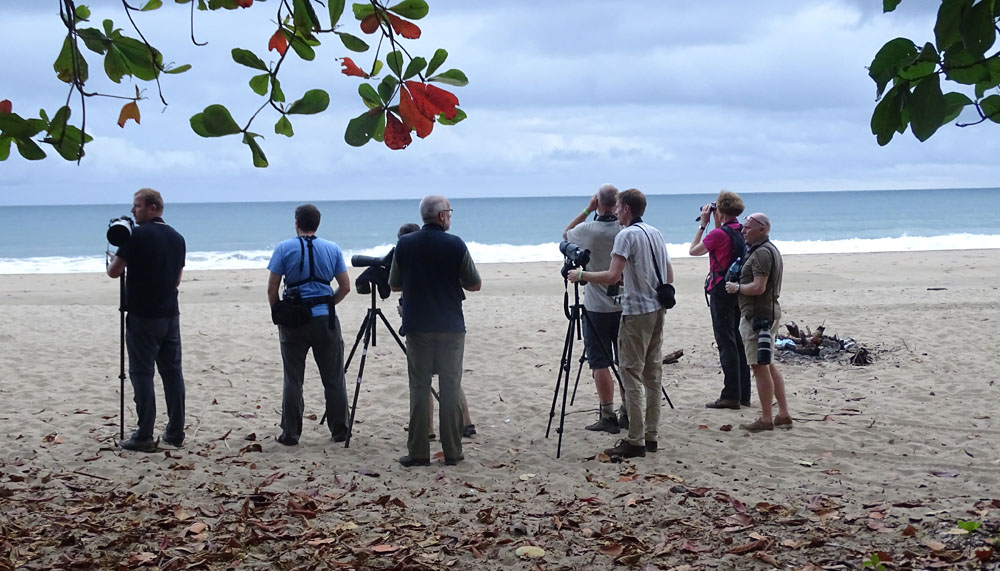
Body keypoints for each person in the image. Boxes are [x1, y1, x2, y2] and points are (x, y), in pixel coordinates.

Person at [569, 188, 671, 459]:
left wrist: (582, 276)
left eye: (618, 208)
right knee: (652, 374)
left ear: (626, 208)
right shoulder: (655, 232)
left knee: (631, 374)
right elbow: (667, 273)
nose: (615, 212)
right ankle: (651, 436)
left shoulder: (626, 235)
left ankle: (635, 440)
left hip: (635, 312)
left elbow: (613, 276)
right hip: (657, 309)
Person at [389, 196, 481, 467]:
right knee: (450, 387)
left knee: (419, 387)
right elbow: (474, 284)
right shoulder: (455, 244)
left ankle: (418, 452)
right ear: (442, 216)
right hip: (451, 325)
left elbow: (394, 284)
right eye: (449, 212)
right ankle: (453, 451)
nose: (450, 216)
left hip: (418, 324)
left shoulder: (404, 244)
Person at [106, 188, 187, 452]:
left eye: (137, 206)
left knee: (142, 373)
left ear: (153, 208)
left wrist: (111, 259)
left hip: (143, 315)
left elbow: (114, 272)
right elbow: (176, 279)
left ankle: (144, 434)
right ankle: (175, 432)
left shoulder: (136, 236)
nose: (133, 211)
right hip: (169, 314)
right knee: (172, 373)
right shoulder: (177, 238)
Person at [267, 204, 351, 446]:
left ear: (296, 223)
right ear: (318, 224)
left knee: (293, 377)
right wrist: (329, 305)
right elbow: (345, 286)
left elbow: (272, 287)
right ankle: (340, 430)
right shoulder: (332, 248)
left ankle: (291, 433)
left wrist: (278, 314)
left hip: (294, 319)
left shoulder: (284, 248)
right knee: (334, 377)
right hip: (325, 318)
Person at [563, 184, 625, 434]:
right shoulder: (626, 230)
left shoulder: (589, 230)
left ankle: (607, 413)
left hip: (596, 306)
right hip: (624, 304)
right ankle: (629, 411)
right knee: (626, 363)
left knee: (599, 362)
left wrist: (588, 210)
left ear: (598, 202)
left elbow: (566, 234)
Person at [724, 213, 792, 432]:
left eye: (747, 228)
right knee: (768, 363)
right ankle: (782, 414)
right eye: (743, 227)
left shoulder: (762, 253)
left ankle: (766, 419)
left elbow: (758, 287)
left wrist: (736, 288)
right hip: (766, 313)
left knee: (759, 366)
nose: (743, 231)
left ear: (762, 229)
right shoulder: (766, 250)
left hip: (758, 317)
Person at [689, 190, 752, 410]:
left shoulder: (718, 234)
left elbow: (694, 251)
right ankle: (744, 393)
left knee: (726, 342)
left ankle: (731, 395)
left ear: (721, 211)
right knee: (738, 340)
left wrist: (702, 225)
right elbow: (724, 244)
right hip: (737, 289)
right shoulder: (741, 230)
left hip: (719, 290)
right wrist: (716, 222)